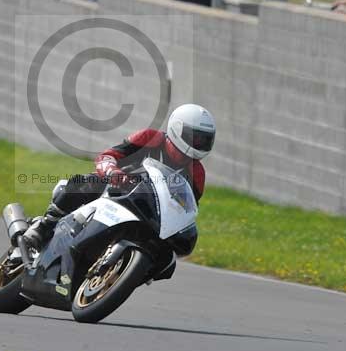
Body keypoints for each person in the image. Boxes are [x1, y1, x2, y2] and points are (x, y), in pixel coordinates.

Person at [22, 104, 216, 250]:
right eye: (194, 137)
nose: (198, 143)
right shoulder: (150, 138)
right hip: (116, 190)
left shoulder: (196, 173)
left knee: (170, 254)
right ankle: (44, 226)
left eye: (204, 140)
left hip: (149, 210)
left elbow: (187, 209)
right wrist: (112, 172)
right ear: (177, 128)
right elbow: (108, 156)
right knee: (86, 183)